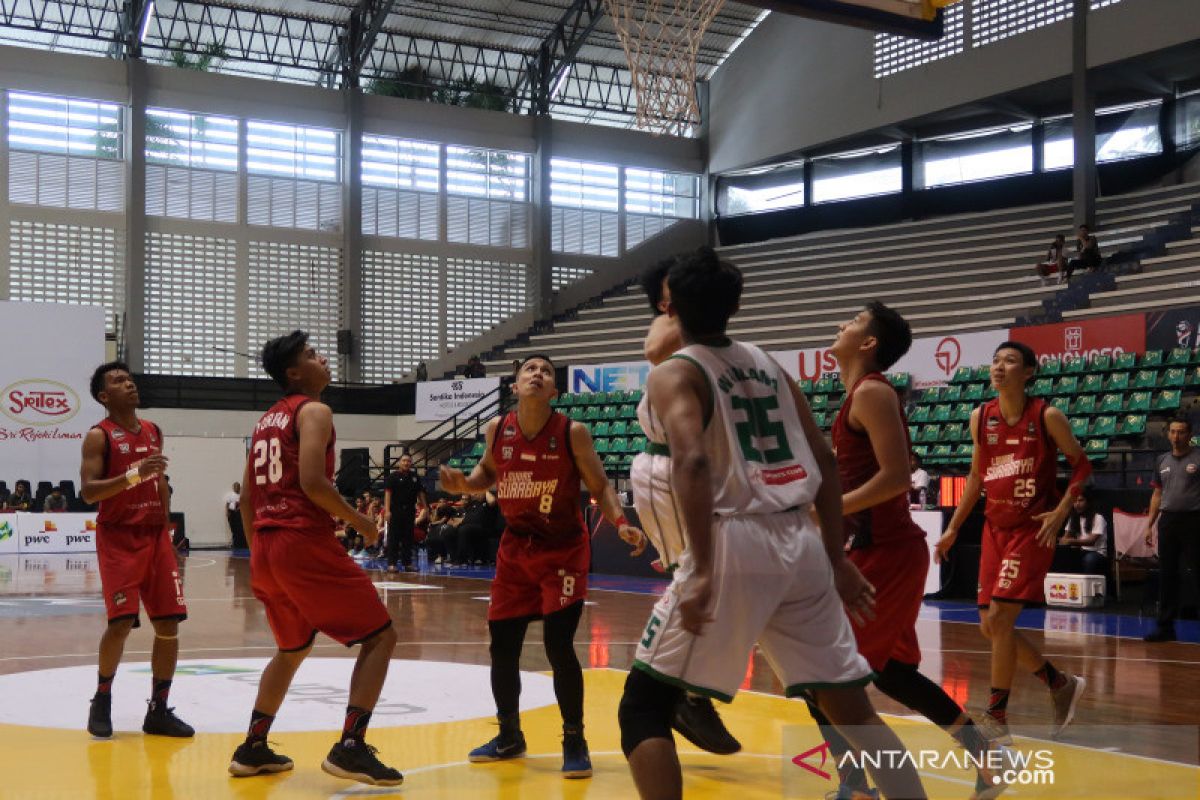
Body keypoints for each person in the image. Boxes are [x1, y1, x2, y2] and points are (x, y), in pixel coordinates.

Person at [618, 247, 925, 800]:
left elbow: (690, 460)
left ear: (671, 308)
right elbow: (826, 462)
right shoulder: (768, 361)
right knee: (855, 713)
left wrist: (704, 568)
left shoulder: (673, 373)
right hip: (802, 544)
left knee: (641, 707)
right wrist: (835, 560)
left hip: (735, 538)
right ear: (735, 306)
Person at [803, 302, 1005, 800]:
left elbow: (895, 477)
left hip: (886, 554)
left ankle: (858, 785)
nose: (839, 325)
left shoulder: (870, 393)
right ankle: (988, 756)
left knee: (824, 678)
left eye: (850, 322)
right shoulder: (858, 395)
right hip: (878, 551)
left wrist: (831, 509)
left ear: (868, 344)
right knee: (892, 674)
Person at [439, 354, 645, 780]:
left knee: (558, 645)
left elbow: (601, 485)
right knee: (502, 645)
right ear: (515, 386)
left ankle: (574, 737)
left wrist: (622, 523)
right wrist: (465, 484)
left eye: (546, 372)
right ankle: (509, 735)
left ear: (554, 391)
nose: (538, 374)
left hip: (562, 549)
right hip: (516, 549)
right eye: (530, 370)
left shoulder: (573, 432)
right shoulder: (498, 428)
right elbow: (486, 473)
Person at [227, 330, 402, 787]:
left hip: (265, 546)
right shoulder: (315, 410)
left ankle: (253, 746)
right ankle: (351, 747)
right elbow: (312, 482)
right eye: (311, 354)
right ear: (293, 372)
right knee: (381, 636)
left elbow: (247, 497)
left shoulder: (266, 420)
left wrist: (261, 550)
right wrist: (361, 522)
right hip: (301, 539)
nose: (323, 358)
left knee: (292, 648)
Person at [936, 341, 1091, 742]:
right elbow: (975, 477)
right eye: (995, 360)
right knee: (990, 626)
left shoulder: (1046, 416)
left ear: (1029, 373)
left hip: (1031, 528)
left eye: (1010, 361)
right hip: (994, 528)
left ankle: (996, 716)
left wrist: (1062, 510)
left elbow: (1082, 464)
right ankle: (1059, 684)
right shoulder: (980, 417)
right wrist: (953, 527)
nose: (999, 367)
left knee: (1001, 620)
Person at [630, 255, 743, 757]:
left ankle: (684, 690)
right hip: (666, 470)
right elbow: (658, 345)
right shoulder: (667, 326)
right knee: (695, 576)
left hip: (690, 469)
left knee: (707, 580)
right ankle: (683, 693)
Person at [80, 361, 192, 740]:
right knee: (121, 623)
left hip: (155, 537)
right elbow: (89, 491)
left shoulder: (152, 431)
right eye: (118, 381)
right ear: (103, 396)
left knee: (169, 625)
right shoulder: (99, 436)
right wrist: (134, 474)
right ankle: (102, 697)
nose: (128, 384)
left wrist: (167, 537)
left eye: (129, 379)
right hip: (118, 538)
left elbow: (159, 480)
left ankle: (159, 710)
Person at [1142, 417, 1200, 642]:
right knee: (1167, 574)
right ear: (1168, 434)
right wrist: (1149, 524)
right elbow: (1157, 494)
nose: (1176, 437)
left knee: (1198, 573)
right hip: (1168, 522)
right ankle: (1165, 628)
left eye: (1181, 432)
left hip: (1194, 520)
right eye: (1173, 432)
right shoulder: (1161, 460)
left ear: (1190, 435)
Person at [384, 454, 426, 573]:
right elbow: (387, 494)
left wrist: (425, 507)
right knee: (394, 537)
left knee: (408, 537)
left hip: (409, 510)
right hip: (396, 510)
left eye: (408, 461)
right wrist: (387, 510)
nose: (406, 463)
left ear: (411, 463)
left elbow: (420, 492)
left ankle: (407, 563)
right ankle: (392, 564)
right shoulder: (393, 477)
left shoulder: (415, 477)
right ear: (399, 462)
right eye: (404, 461)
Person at [1059, 492, 1108, 576]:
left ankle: (1087, 586)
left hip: (1097, 552)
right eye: (1075, 501)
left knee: (1089, 559)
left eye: (1080, 500)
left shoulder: (1098, 518)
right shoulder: (1073, 518)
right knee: (1062, 556)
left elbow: (1091, 542)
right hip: (1081, 551)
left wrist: (1070, 541)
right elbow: (1065, 537)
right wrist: (1063, 541)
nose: (1077, 504)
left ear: (1088, 502)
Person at [224, 481, 246, 549]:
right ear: (233, 487)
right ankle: (235, 543)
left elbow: (243, 504)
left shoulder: (242, 495)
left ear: (239, 487)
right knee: (233, 528)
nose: (237, 488)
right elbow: (227, 504)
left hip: (239, 513)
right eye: (235, 486)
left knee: (240, 528)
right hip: (232, 513)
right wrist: (227, 512)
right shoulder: (230, 495)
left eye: (238, 486)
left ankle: (241, 544)